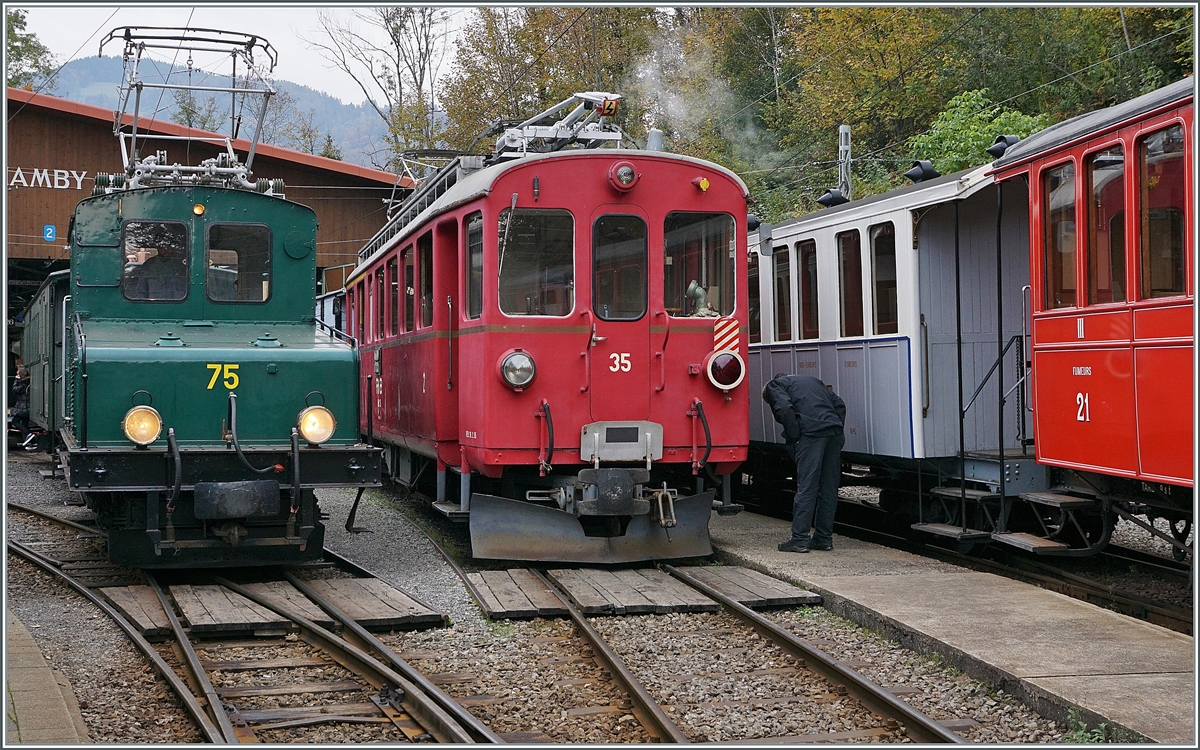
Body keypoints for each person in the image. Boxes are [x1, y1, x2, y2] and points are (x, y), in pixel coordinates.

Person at [763, 373, 846, 553]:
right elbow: (839, 404)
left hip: (811, 435)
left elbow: (784, 408)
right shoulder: (813, 381)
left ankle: (799, 539)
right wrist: (836, 426)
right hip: (834, 432)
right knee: (828, 488)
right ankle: (824, 539)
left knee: (807, 487)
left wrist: (795, 436)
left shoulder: (774, 385)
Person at [9, 365, 31, 445]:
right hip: (28, 407)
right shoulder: (28, 381)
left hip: (23, 407)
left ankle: (28, 434)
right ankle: (27, 441)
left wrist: (16, 380)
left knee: (15, 421)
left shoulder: (22, 383)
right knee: (25, 423)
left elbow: (15, 390)